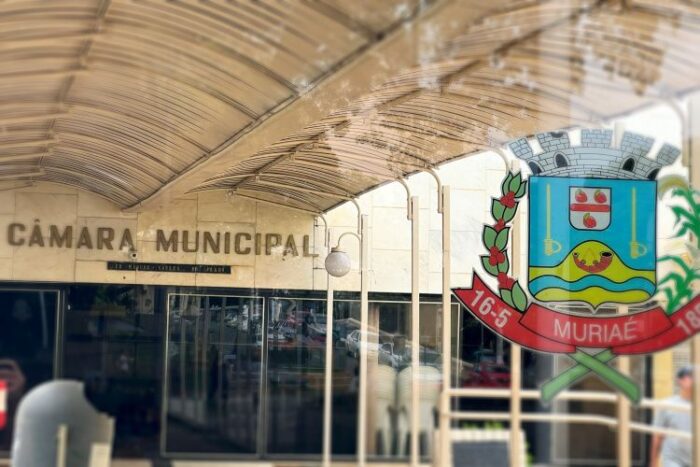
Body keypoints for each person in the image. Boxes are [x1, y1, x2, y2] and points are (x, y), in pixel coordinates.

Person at [650, 366, 693, 467]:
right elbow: (657, 435)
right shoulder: (668, 404)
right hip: (673, 459)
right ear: (679, 380)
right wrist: (653, 462)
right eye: (689, 376)